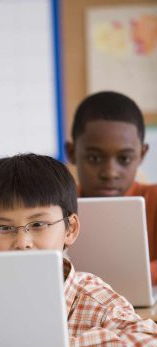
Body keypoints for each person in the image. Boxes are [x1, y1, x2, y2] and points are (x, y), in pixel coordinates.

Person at [0, 153, 157, 347]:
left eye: (38, 224)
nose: (22, 242)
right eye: (5, 228)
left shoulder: (91, 298)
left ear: (70, 229)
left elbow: (151, 342)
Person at [64, 91, 157, 285]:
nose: (110, 172)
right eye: (94, 158)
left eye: (124, 159)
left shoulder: (154, 199)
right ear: (72, 153)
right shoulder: (56, 208)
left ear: (142, 154)